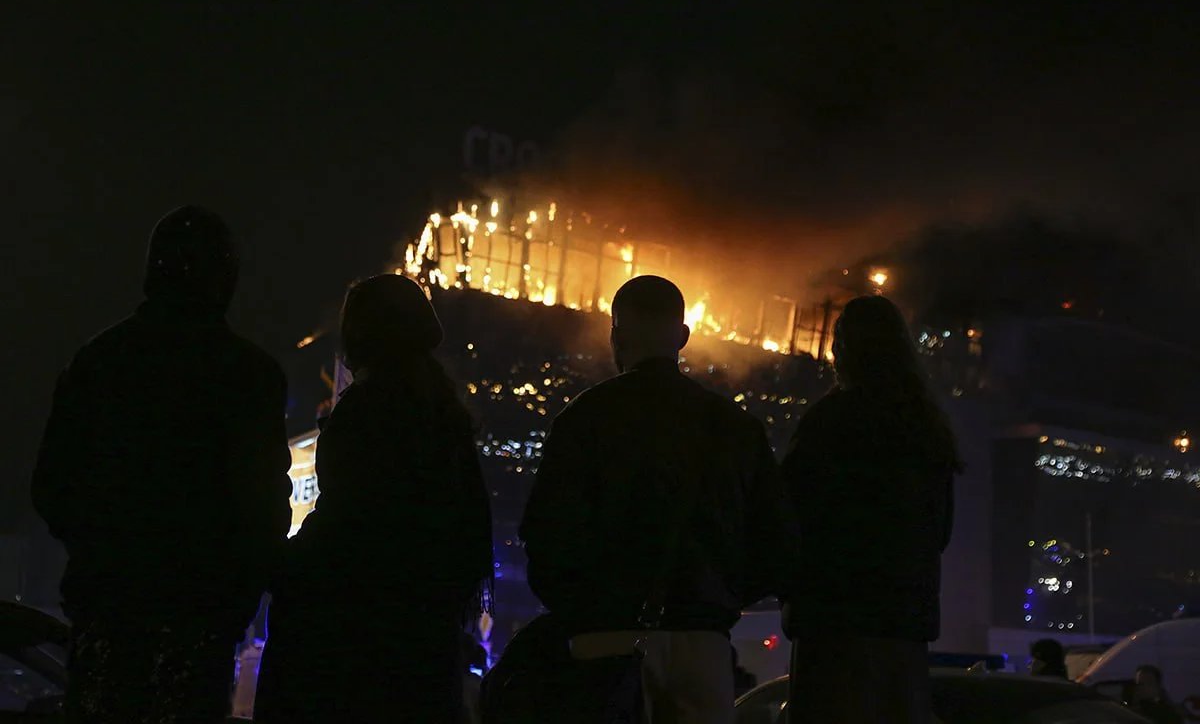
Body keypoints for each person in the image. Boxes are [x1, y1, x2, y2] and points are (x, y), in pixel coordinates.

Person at [31, 206, 292, 724]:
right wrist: (233, 591)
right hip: (201, 624)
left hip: (109, 612)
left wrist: (103, 553)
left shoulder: (99, 362)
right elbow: (264, 508)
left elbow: (53, 486)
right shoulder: (250, 376)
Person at [520, 275, 800, 724]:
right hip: (702, 644)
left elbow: (545, 531)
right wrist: (719, 596)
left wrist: (581, 609)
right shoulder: (735, 428)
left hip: (604, 641)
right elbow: (776, 543)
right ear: (683, 337)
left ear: (616, 335)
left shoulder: (584, 417)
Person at [255, 274, 494, 723]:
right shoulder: (444, 417)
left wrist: (276, 563)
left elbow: (344, 526)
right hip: (423, 648)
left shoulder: (367, 411)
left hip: (355, 646)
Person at [781, 295, 960, 724]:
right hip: (903, 630)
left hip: (832, 624)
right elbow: (940, 531)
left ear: (843, 349)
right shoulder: (926, 429)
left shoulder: (829, 421)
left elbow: (788, 511)